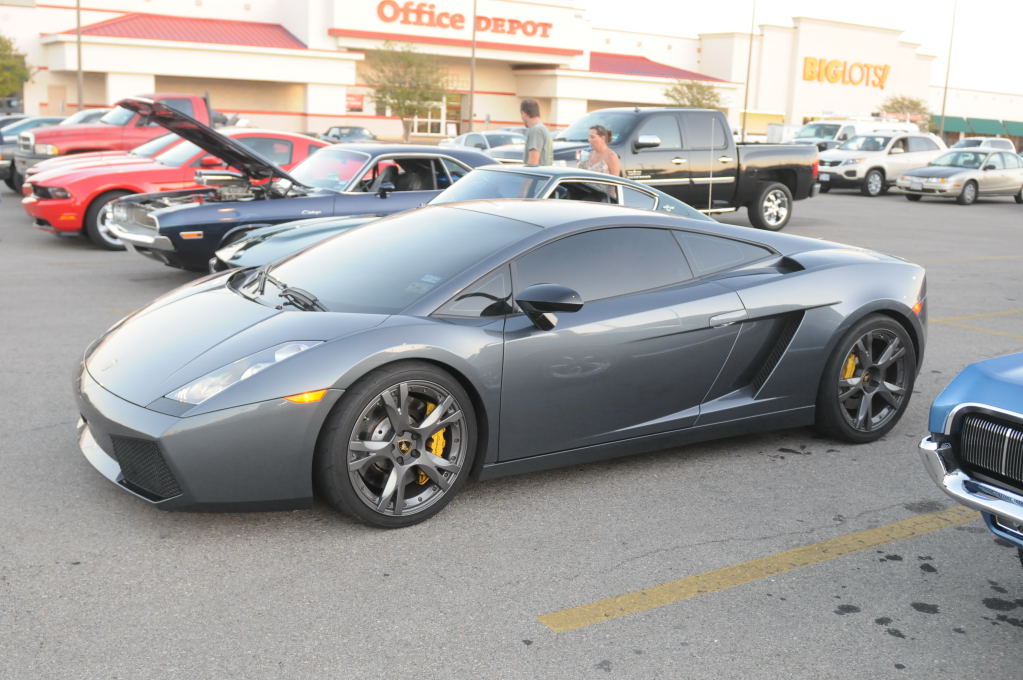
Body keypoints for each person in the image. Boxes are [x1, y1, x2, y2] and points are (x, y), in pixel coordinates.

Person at [520, 98, 552, 166]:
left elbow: (533, 162)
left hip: (538, 172)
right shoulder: (543, 128)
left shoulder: (536, 130)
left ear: (523, 113)